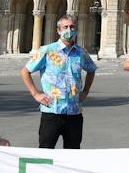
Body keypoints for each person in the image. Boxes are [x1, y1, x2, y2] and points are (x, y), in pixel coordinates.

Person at [21, 15, 98, 149]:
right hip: (52, 111)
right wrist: (35, 94)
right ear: (59, 30)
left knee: (72, 153)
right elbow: (25, 71)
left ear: (76, 29)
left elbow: (91, 70)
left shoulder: (81, 52)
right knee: (46, 151)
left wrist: (85, 91)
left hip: (74, 111)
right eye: (65, 27)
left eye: (72, 27)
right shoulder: (47, 50)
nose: (69, 29)